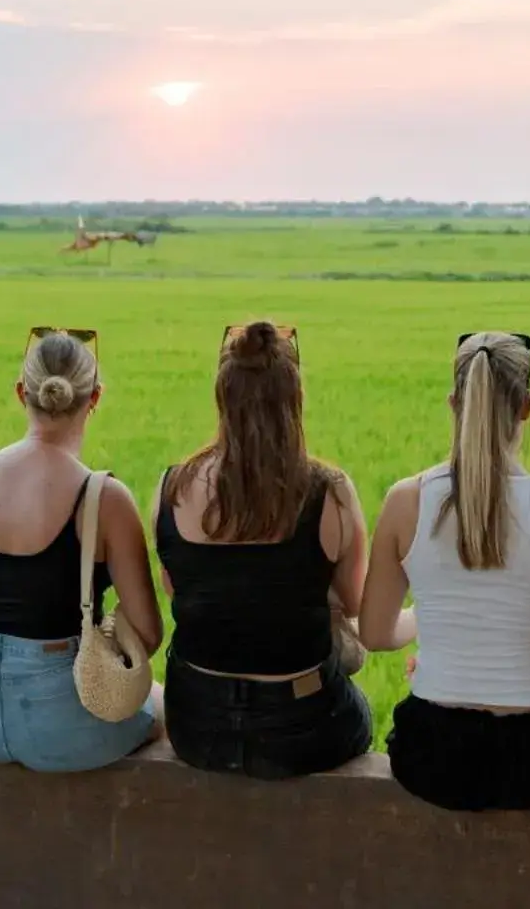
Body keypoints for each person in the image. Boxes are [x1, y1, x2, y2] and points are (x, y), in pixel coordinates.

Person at [360, 330, 530, 811]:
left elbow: (374, 633)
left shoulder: (405, 501)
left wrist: (427, 621)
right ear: (527, 406)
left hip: (431, 754)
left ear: (454, 402)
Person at [0, 328, 164, 772]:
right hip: (57, 720)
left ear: (22, 392)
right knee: (168, 707)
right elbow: (148, 634)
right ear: (94, 398)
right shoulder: (104, 498)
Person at [155, 320, 372, 779]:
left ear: (222, 396)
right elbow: (354, 603)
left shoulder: (173, 488)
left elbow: (178, 589)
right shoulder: (329, 492)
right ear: (295, 399)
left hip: (197, 724)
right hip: (304, 728)